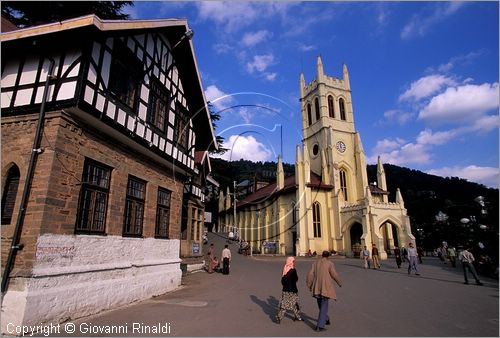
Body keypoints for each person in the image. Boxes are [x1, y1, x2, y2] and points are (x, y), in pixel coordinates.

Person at [306, 251, 342, 332]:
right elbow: (334, 274)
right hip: (325, 288)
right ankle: (320, 326)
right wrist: (339, 282)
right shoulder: (330, 263)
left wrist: (309, 284)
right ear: (328, 256)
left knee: (321, 305)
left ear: (322, 256)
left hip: (316, 287)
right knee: (324, 305)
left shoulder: (315, 263)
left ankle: (326, 318)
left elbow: (310, 274)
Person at [275, 257, 302, 324]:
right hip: (293, 290)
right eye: (293, 261)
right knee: (295, 303)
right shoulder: (293, 270)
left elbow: (282, 281)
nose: (294, 262)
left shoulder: (285, 269)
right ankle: (297, 317)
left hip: (285, 290)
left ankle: (279, 317)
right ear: (291, 262)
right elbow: (296, 279)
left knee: (284, 304)